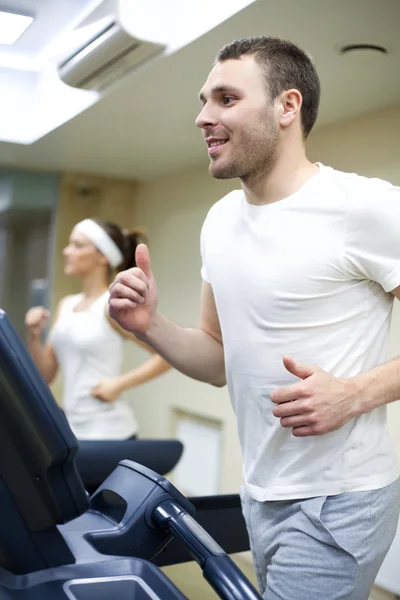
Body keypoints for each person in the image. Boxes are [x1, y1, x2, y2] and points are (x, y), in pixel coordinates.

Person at [108, 36, 400, 600]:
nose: (202, 117)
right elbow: (219, 357)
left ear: (287, 107)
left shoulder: (362, 207)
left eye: (225, 98)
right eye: (203, 100)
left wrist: (356, 394)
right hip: (259, 490)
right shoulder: (219, 222)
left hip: (340, 498)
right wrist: (152, 326)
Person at [25, 218, 170, 441]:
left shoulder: (111, 306)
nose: (66, 251)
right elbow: (46, 375)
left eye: (77, 245)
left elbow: (165, 356)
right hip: (73, 429)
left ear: (103, 257)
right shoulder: (66, 305)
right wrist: (34, 336)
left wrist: (119, 384)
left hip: (110, 431)